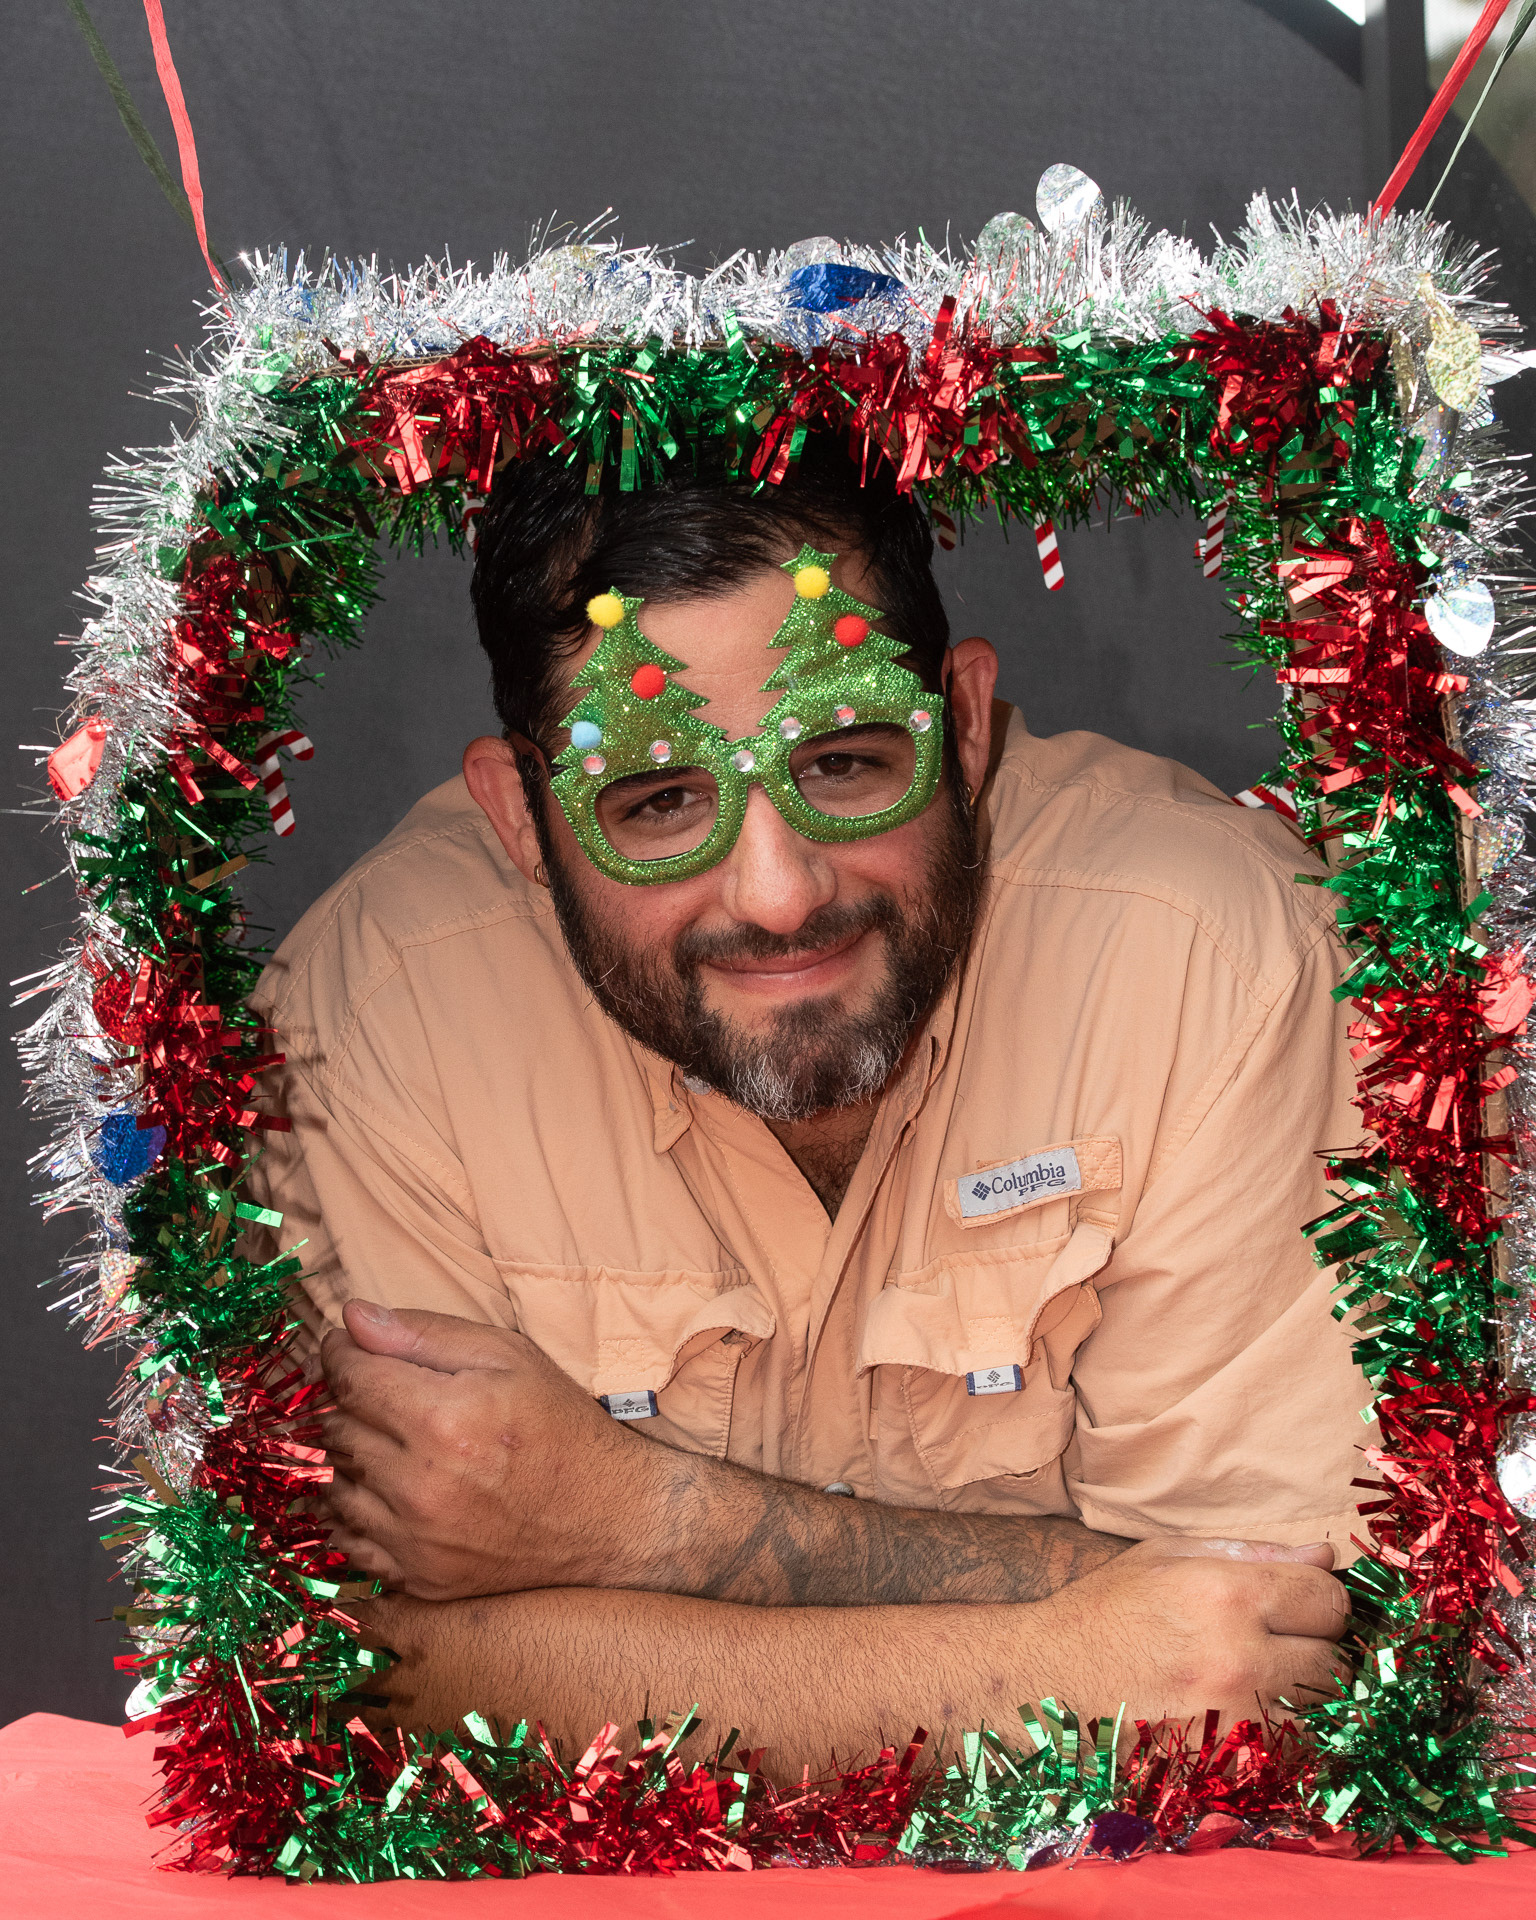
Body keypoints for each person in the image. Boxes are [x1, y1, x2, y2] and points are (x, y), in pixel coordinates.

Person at [246, 435, 1369, 1775]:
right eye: (658, 800)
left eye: (841, 761)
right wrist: (1059, 1668)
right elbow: (345, 1670)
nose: (779, 895)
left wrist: (646, 1523)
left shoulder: (1209, 947)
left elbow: (1274, 1646)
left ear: (963, 726)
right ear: (519, 816)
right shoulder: (375, 1012)